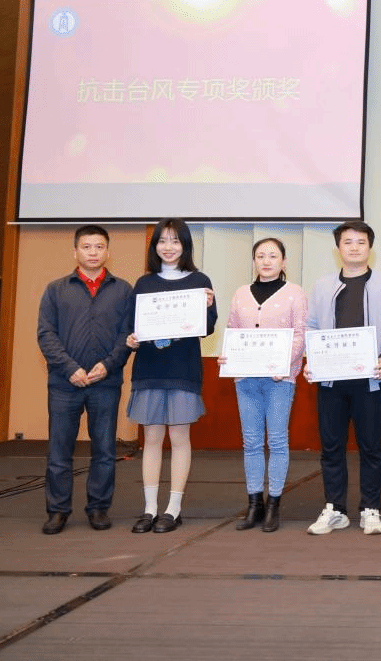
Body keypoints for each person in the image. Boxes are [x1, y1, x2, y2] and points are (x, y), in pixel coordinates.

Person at [304, 220, 381, 536]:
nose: (355, 247)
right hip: (331, 380)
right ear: (338, 248)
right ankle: (335, 508)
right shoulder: (322, 286)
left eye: (361, 242)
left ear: (370, 247)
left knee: (370, 447)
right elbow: (311, 328)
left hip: (370, 379)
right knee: (331, 447)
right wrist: (312, 360)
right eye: (348, 242)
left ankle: (370, 509)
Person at [36, 225, 134, 534]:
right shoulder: (56, 289)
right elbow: (46, 334)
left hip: (106, 382)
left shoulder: (123, 290)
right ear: (75, 251)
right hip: (64, 384)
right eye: (87, 247)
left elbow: (128, 334)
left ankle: (98, 508)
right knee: (59, 451)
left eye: (99, 247)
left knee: (104, 450)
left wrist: (108, 364)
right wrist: (69, 368)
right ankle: (57, 510)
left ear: (108, 251)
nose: (93, 252)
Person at [126, 218, 217, 534]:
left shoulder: (199, 280)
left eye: (175, 241)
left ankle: (173, 508)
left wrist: (207, 306)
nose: (168, 247)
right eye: (162, 241)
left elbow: (207, 328)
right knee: (151, 440)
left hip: (182, 370)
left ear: (185, 245)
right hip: (149, 370)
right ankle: (149, 508)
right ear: (154, 246)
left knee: (179, 439)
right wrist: (131, 338)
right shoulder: (144, 283)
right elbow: (131, 327)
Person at [219, 238, 307, 533]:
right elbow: (232, 330)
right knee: (251, 442)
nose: (266, 261)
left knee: (278, 441)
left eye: (273, 256)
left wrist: (282, 364)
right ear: (254, 260)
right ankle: (254, 503)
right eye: (260, 256)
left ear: (284, 261)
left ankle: (273, 505)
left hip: (279, 380)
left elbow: (300, 334)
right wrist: (228, 355)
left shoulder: (295, 293)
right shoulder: (240, 294)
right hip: (246, 378)